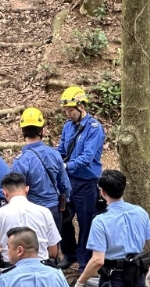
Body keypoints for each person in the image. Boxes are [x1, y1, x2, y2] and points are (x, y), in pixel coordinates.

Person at [56, 86, 105, 272]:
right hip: (68, 181)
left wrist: (67, 165)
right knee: (64, 218)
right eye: (65, 110)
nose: (68, 113)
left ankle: (85, 260)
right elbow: (61, 149)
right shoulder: (68, 126)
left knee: (86, 222)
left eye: (70, 110)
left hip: (86, 182)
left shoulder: (94, 128)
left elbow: (88, 157)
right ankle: (70, 254)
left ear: (81, 106)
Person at [11, 107, 73, 235]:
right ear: (41, 130)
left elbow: (17, 193)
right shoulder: (55, 154)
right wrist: (66, 202)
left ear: (23, 132)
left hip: (32, 212)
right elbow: (64, 184)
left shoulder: (21, 161)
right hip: (54, 210)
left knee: (33, 248)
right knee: (53, 247)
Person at [0, 172, 60, 268]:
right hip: (41, 267)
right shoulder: (45, 212)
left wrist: (2, 252)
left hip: (11, 269)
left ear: (4, 193)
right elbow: (53, 252)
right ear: (27, 189)